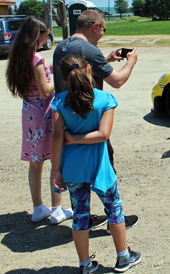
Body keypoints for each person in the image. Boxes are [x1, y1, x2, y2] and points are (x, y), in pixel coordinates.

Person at [52, 55, 141, 273]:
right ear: (89, 70)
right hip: (99, 167)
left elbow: (56, 138)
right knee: (114, 209)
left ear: (64, 78)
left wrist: (56, 170)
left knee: (80, 215)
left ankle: (85, 265)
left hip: (73, 168)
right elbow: (103, 134)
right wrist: (78, 138)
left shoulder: (59, 102)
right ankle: (123, 257)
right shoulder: (105, 99)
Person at [52, 9, 138, 232]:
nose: (102, 34)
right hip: (92, 126)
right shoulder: (89, 50)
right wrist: (131, 62)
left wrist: (106, 59)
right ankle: (114, 220)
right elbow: (117, 81)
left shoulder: (61, 47)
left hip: (69, 127)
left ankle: (84, 218)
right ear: (95, 26)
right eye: (103, 29)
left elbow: (77, 73)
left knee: (77, 183)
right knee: (105, 173)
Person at [5, 16, 72, 224]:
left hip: (29, 112)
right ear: (35, 36)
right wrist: (61, 80)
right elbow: (45, 91)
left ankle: (38, 208)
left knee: (35, 163)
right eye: (43, 38)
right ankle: (57, 208)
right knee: (55, 160)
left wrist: (48, 73)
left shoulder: (19, 57)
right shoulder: (37, 59)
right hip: (44, 112)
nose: (44, 41)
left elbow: (34, 83)